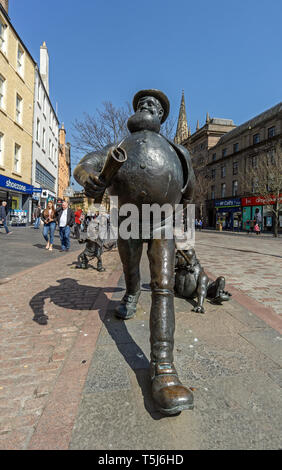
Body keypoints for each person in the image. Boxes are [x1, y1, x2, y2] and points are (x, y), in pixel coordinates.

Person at [74, 89, 195, 416]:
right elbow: (85, 165)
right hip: (128, 220)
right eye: (142, 104)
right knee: (131, 274)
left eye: (153, 106)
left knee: (163, 286)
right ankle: (129, 296)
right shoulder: (119, 148)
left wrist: (185, 233)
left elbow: (189, 192)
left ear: (161, 118)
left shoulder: (178, 151)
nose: (147, 107)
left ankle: (164, 367)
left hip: (162, 223)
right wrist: (90, 180)